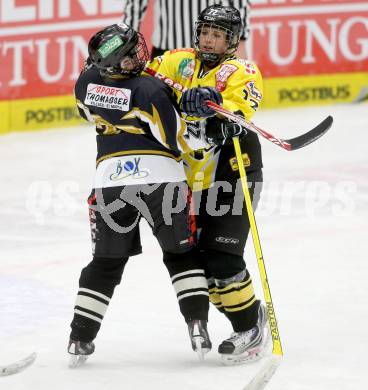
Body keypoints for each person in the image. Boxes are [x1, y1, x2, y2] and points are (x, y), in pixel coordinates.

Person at [67, 23, 213, 367]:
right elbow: (180, 142)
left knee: (105, 263)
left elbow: (91, 109)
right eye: (131, 54)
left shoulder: (85, 82)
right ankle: (197, 325)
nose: (139, 55)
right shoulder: (150, 90)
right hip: (161, 181)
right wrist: (200, 124)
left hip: (110, 184)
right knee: (181, 255)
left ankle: (79, 338)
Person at [147, 4, 268, 365]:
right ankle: (247, 320)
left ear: (232, 41)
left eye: (217, 35)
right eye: (205, 32)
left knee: (222, 256)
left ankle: (249, 326)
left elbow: (236, 112)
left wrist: (212, 104)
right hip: (193, 177)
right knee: (199, 263)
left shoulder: (243, 70)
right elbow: (144, 77)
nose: (209, 40)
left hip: (235, 170)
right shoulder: (179, 61)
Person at [123, 0, 252, 58]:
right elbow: (135, 4)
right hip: (167, 50)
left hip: (213, 52)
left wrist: (238, 41)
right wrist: (126, 41)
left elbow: (239, 4)